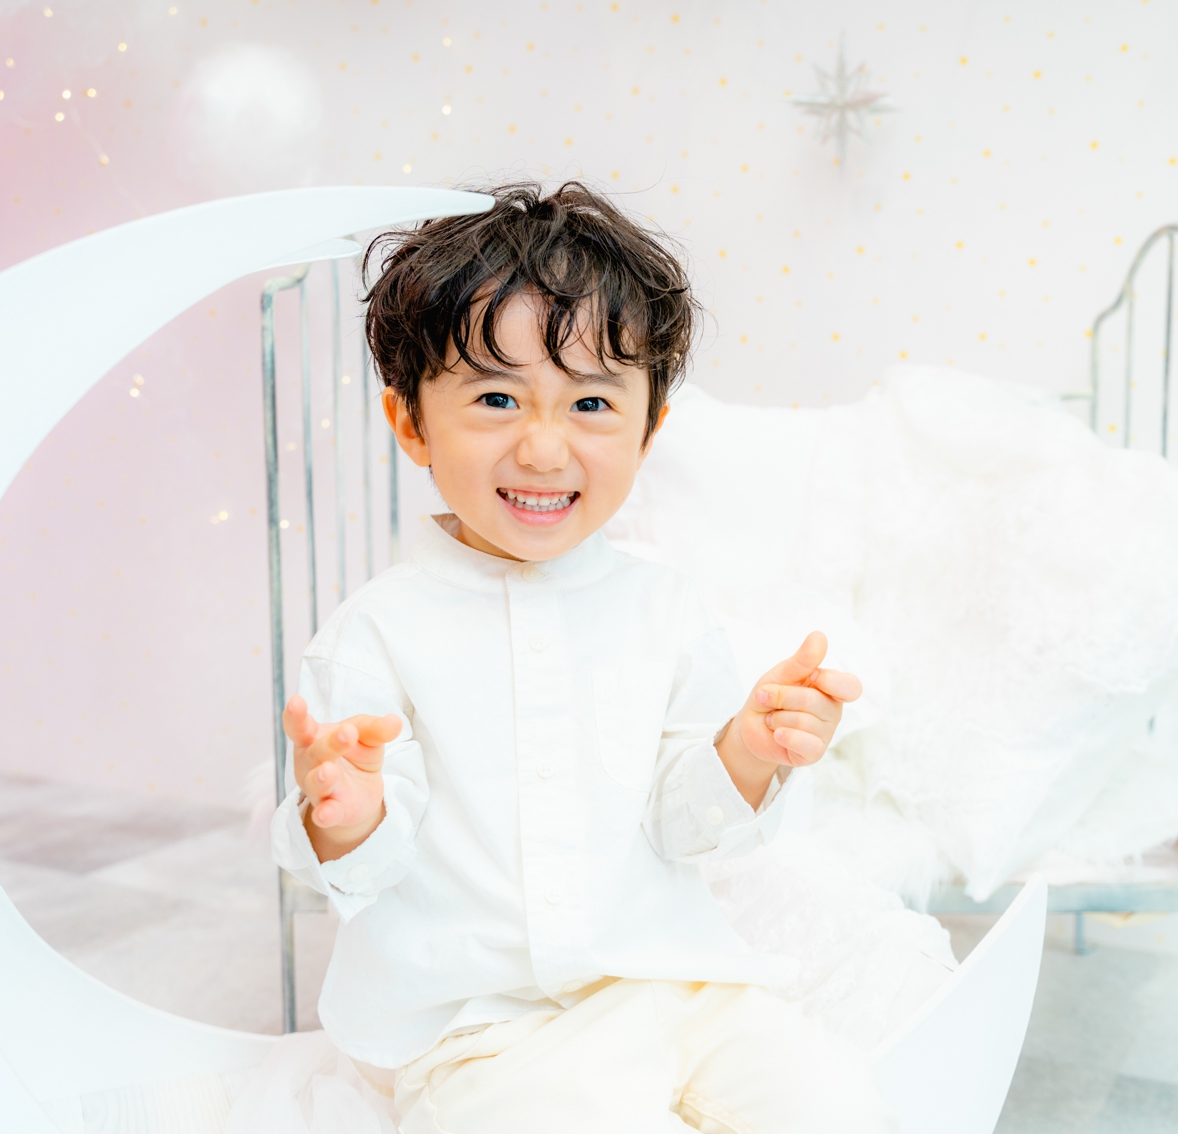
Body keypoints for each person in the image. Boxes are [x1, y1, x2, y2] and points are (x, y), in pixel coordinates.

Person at [270, 181, 897, 1133]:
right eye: (495, 397)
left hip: (672, 989)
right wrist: (349, 816)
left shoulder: (665, 610)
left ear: (648, 431)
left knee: (832, 1104)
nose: (542, 447)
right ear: (411, 423)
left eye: (592, 402)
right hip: (476, 1024)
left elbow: (684, 822)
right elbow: (357, 866)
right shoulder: (377, 632)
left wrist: (747, 751)